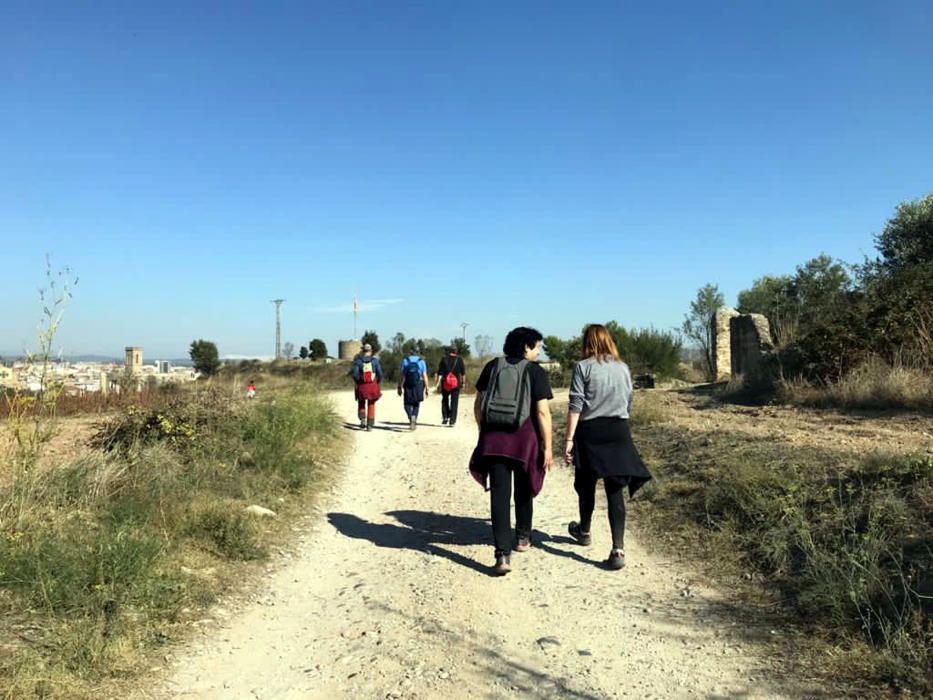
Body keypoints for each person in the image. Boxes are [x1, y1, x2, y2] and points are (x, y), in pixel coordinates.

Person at [563, 324, 652, 570]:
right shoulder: (623, 368)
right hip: (618, 429)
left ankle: (585, 530)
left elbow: (576, 405)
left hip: (590, 431)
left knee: (586, 485)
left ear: (587, 343)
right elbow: (629, 400)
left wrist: (569, 440)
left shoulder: (583, 367)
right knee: (615, 491)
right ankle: (618, 548)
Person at [470, 327, 553, 575]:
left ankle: (502, 555)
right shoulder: (535, 372)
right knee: (524, 488)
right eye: (537, 347)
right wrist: (548, 447)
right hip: (524, 441)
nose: (538, 352)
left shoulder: (492, 366)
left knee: (499, 495)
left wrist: (482, 431)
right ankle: (523, 537)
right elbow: (541, 412)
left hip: (495, 441)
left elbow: (478, 404)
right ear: (526, 347)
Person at [352, 343, 383, 431]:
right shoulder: (375, 361)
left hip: (362, 386)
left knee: (361, 402)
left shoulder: (358, 361)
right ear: (371, 351)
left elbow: (355, 375)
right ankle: (370, 424)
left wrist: (359, 381)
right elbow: (380, 374)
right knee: (371, 403)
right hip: (372, 385)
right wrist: (377, 382)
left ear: (363, 351)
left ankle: (362, 418)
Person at [398, 345, 428, 430]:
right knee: (416, 403)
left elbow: (402, 375)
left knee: (406, 403)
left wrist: (399, 386)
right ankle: (414, 416)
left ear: (411, 351)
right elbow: (425, 375)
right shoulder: (421, 361)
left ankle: (410, 416)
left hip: (408, 384)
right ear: (418, 352)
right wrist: (427, 388)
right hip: (419, 384)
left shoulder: (405, 361)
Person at [435, 346, 466, 427]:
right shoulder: (459, 359)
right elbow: (463, 373)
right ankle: (452, 420)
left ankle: (445, 417)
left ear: (449, 351)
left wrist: (437, 383)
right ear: (456, 352)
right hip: (456, 384)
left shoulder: (444, 359)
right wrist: (463, 383)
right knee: (454, 402)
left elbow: (440, 373)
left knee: (445, 400)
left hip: (445, 383)